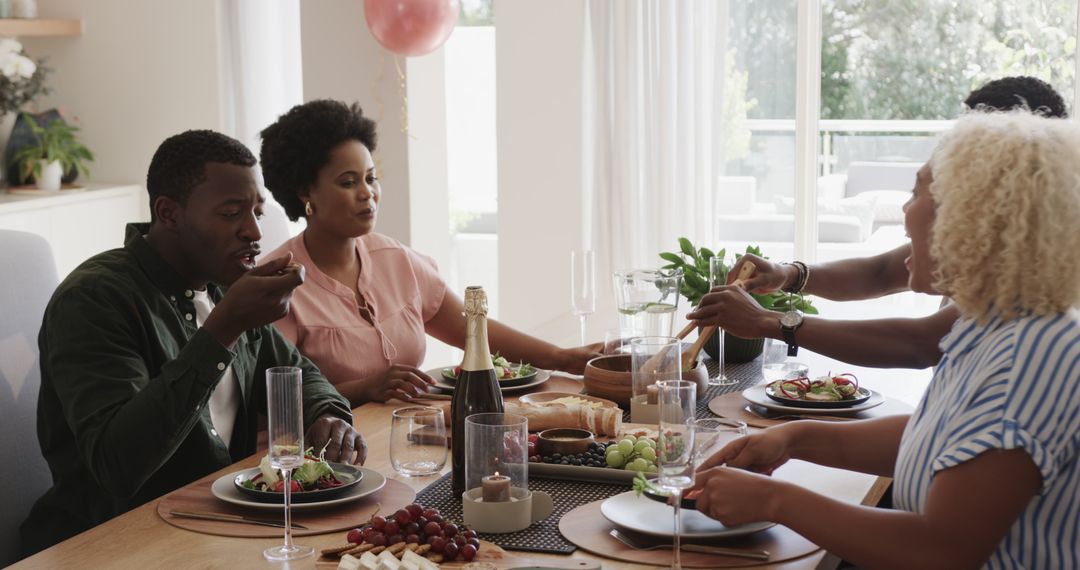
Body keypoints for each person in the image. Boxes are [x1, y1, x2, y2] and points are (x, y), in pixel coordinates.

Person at [690, 112, 1080, 568]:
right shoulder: (995, 323)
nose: (904, 208)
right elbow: (942, 437)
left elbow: (942, 551)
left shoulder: (1030, 356)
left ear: (971, 217)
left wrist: (776, 500)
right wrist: (793, 438)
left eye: (917, 192)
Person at [21, 130, 366, 556]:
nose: (253, 231)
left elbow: (300, 374)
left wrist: (327, 414)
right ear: (168, 213)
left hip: (214, 529)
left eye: (257, 211)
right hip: (110, 544)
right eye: (231, 213)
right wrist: (223, 329)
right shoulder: (94, 299)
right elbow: (117, 466)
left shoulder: (221, 286)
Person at [688, 76, 1068, 369]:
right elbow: (882, 271)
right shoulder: (982, 240)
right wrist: (787, 275)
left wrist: (770, 322)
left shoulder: (1032, 281)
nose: (954, 152)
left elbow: (920, 344)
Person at [259, 100, 600, 406]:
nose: (368, 194)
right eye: (348, 182)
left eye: (371, 178)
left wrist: (563, 358)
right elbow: (274, 395)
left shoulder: (396, 259)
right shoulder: (276, 284)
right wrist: (365, 388)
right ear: (306, 191)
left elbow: (474, 332)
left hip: (407, 435)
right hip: (319, 459)